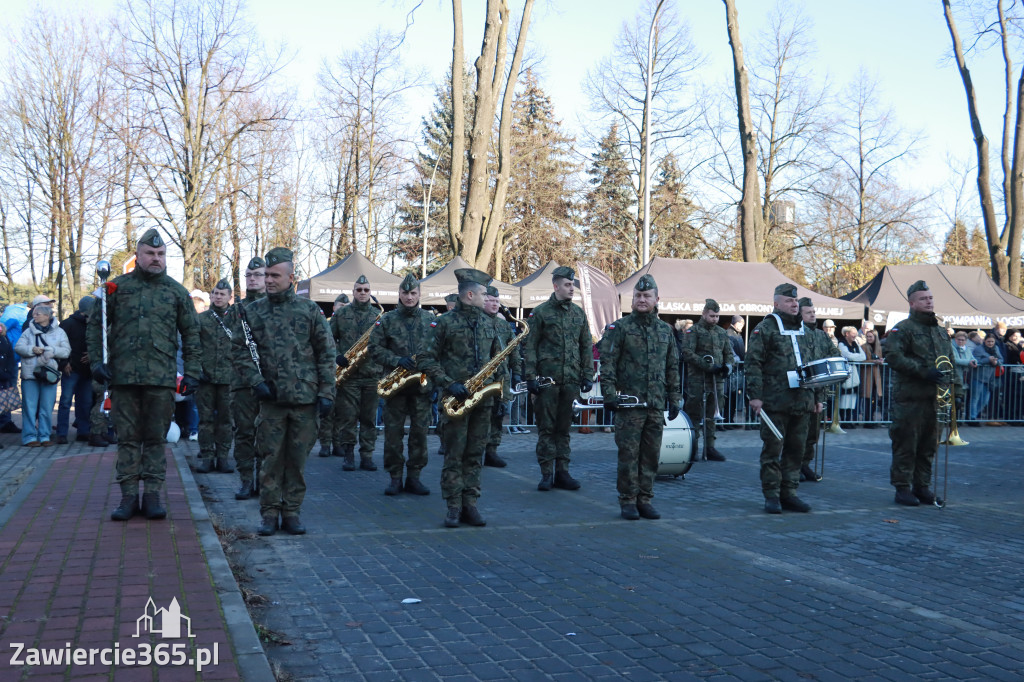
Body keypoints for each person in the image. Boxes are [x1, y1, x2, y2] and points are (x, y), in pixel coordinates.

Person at [87, 228, 201, 521]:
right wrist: (98, 363)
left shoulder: (176, 292)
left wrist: (192, 372)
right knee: (127, 439)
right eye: (150, 253)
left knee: (155, 438)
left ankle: (152, 494)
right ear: (137, 255)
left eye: (161, 254)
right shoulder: (116, 288)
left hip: (161, 379)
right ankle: (127, 497)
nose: (156, 259)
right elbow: (96, 326)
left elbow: (191, 334)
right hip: (123, 377)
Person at [234, 247, 335, 535]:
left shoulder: (309, 310)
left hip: (305, 399)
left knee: (297, 460)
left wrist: (327, 392)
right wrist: (256, 381)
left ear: (292, 277)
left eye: (274, 275)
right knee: (270, 459)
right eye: (265, 275)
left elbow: (326, 352)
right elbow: (240, 351)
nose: (268, 280)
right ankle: (269, 514)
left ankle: (291, 512)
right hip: (272, 399)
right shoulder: (252, 312)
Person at [421, 268, 505, 528]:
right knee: (455, 455)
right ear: (470, 294)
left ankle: (471, 504)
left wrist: (502, 392)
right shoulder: (445, 323)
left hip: (483, 400)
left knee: (475, 454)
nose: (487, 296)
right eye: (483, 293)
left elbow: (498, 360)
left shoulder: (490, 322)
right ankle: (453, 506)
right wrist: (449, 383)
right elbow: (426, 358)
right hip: (456, 398)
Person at [599, 274, 680, 521]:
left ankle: (645, 499)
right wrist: (609, 394)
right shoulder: (620, 328)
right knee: (628, 455)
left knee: (651, 455)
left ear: (657, 299)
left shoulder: (666, 331)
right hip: (629, 405)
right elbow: (608, 363)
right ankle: (627, 500)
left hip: (655, 405)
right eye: (638, 296)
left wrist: (675, 397)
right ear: (632, 299)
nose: (642, 300)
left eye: (646, 296)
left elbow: (672, 367)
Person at [745, 283, 823, 514]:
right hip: (775, 402)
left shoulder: (806, 332)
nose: (794, 304)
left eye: (795, 300)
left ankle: (789, 493)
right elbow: (753, 363)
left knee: (796, 450)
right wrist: (755, 396)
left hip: (802, 401)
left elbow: (814, 365)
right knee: (773, 449)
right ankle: (772, 495)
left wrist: (818, 396)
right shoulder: (765, 328)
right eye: (789, 301)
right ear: (776, 303)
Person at [885, 280, 957, 505]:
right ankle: (902, 488)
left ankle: (922, 486)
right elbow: (893, 356)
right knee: (906, 444)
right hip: (910, 398)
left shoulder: (939, 331)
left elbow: (951, 363)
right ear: (912, 303)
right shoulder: (903, 328)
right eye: (923, 299)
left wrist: (958, 393)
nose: (929, 301)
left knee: (928, 446)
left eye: (931, 298)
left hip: (935, 399)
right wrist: (922, 372)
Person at [522, 266, 591, 490]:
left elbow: (585, 346)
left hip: (570, 379)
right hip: (547, 381)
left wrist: (587, 375)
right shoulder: (541, 312)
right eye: (568, 285)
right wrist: (530, 376)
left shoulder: (578, 313)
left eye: (573, 285)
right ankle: (546, 473)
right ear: (556, 286)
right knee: (546, 428)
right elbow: (530, 346)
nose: (572, 289)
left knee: (564, 429)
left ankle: (563, 472)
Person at [369, 273, 434, 496]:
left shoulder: (429, 319)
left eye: (413, 293)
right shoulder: (386, 320)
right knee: (393, 434)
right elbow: (374, 349)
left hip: (421, 387)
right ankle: (395, 477)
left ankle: (414, 477)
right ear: (399, 293)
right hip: (395, 386)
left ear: (419, 295)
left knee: (420, 434)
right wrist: (396, 360)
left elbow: (439, 349)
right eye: (405, 293)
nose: (409, 297)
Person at [225, 257, 266, 499]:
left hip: (269, 381)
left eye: (257, 275)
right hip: (242, 382)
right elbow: (231, 346)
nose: (252, 279)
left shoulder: (274, 307)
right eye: (249, 275)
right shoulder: (236, 310)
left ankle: (264, 479)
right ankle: (246, 480)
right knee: (243, 433)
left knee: (267, 434)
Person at [332, 275, 382, 471]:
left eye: (366, 290)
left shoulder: (377, 317)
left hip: (371, 375)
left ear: (370, 292)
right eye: (359, 289)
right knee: (348, 418)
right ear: (353, 292)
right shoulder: (341, 315)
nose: (362, 293)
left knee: (369, 419)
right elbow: (327, 339)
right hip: (348, 376)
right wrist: (337, 356)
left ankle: (367, 455)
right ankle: (348, 455)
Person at [680, 298, 735, 461]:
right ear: (704, 314)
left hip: (716, 381)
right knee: (695, 414)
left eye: (717, 316)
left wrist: (728, 366)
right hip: (698, 380)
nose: (715, 319)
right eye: (712, 316)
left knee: (712, 415)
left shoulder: (721, 332)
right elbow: (687, 353)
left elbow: (729, 353)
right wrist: (707, 366)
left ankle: (710, 447)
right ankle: (693, 448)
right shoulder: (694, 331)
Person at [16, 296, 71, 447]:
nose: (34, 315)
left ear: (47, 316)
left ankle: (45, 436)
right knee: (29, 407)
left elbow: (66, 351)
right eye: (34, 313)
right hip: (30, 374)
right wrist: (32, 349)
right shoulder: (28, 332)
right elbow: (18, 347)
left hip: (49, 374)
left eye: (38, 313)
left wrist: (51, 350)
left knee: (47, 407)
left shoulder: (59, 333)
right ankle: (29, 437)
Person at [195, 279, 235, 474]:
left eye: (222, 294)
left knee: (227, 421)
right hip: (206, 378)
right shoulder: (202, 319)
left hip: (229, 379)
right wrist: (196, 369)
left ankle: (223, 457)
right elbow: (193, 346)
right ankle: (207, 457)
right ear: (211, 296)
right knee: (205, 420)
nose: (218, 297)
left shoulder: (236, 320)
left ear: (230, 297)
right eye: (215, 294)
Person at [798, 297, 838, 482]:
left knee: (813, 432)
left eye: (814, 312)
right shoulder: (796, 333)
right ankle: (794, 465)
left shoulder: (822, 336)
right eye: (808, 312)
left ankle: (805, 464)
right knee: (799, 432)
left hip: (818, 390)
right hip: (800, 391)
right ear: (800, 314)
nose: (813, 315)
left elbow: (835, 354)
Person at [483, 286, 521, 469]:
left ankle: (492, 451)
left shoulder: (504, 325)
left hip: (502, 377)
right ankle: (475, 450)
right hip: (483, 378)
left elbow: (513, 350)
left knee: (498, 414)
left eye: (497, 301)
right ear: (483, 300)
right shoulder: (477, 322)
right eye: (491, 300)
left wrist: (517, 373)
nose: (495, 304)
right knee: (481, 415)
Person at [56, 296, 96, 444]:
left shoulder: (94, 324)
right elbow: (59, 345)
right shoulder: (68, 324)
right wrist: (64, 363)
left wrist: (92, 356)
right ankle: (61, 433)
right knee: (66, 401)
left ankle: (83, 431)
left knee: (85, 403)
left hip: (87, 370)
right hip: (70, 369)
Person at [317, 293, 349, 458]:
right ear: (334, 307)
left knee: (342, 411)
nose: (342, 309)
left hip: (346, 371)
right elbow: (323, 344)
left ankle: (338, 443)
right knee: (328, 410)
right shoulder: (326, 323)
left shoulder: (349, 323)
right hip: (330, 369)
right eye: (340, 306)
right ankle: (325, 444)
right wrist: (336, 356)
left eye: (345, 307)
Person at [969, 333, 1004, 425]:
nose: (990, 343)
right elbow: (975, 360)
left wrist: (996, 362)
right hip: (978, 377)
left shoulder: (996, 348)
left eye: (992, 341)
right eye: (988, 341)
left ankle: (974, 415)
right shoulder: (978, 349)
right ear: (984, 341)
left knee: (985, 400)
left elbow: (1001, 360)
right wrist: (988, 360)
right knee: (975, 398)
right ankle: (972, 418)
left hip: (990, 379)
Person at [837, 326, 867, 426]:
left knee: (852, 398)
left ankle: (849, 420)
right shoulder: (841, 344)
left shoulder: (855, 344)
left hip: (853, 373)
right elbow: (847, 356)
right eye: (853, 333)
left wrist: (853, 358)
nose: (856, 335)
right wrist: (855, 357)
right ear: (847, 334)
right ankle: (844, 421)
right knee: (844, 399)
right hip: (845, 373)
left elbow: (863, 357)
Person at [0, 322, 17, 439]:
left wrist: (8, 372)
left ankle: (5, 424)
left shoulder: (4, 338)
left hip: (4, 376)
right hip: (3, 375)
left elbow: (10, 355)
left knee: (4, 404)